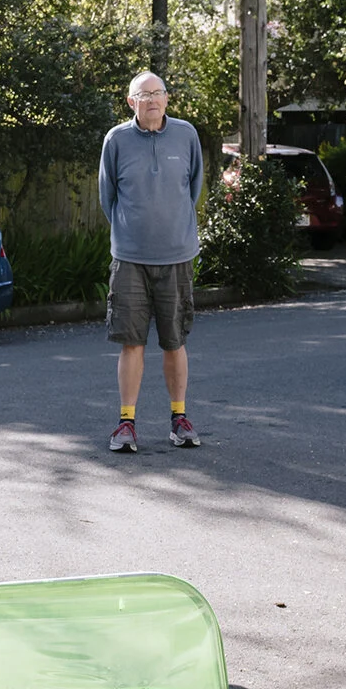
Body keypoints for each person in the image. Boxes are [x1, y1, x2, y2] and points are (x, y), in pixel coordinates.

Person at [98, 71, 205, 452]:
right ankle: (126, 424)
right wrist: (132, 234)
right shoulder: (117, 140)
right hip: (129, 259)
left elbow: (192, 189)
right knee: (132, 343)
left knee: (175, 341)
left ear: (167, 99)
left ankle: (179, 419)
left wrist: (170, 229)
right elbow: (107, 196)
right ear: (132, 102)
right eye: (145, 95)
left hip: (177, 257)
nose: (153, 100)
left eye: (159, 93)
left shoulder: (186, 134)